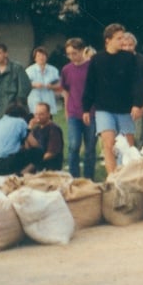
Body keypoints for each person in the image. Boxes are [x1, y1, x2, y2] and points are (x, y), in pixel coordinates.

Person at [82, 23, 143, 176]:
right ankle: (112, 177)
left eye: (123, 38)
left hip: (125, 109)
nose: (122, 42)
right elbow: (90, 84)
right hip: (104, 109)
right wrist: (86, 108)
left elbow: (138, 82)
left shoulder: (129, 58)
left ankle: (127, 175)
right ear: (108, 40)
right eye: (118, 39)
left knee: (127, 145)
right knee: (108, 144)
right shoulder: (97, 59)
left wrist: (137, 104)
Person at [60, 38, 97, 180]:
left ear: (82, 50)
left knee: (90, 148)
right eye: (68, 54)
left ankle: (88, 178)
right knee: (73, 146)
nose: (71, 57)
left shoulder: (92, 67)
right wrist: (67, 111)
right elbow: (65, 91)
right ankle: (73, 178)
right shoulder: (66, 70)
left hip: (91, 112)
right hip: (74, 113)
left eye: (74, 53)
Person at [0, 102, 42, 176]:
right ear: (21, 116)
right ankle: (20, 175)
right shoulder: (20, 122)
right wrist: (30, 128)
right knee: (38, 152)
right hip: (5, 165)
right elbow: (34, 145)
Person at [121, 32, 143, 147]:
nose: (127, 48)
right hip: (122, 102)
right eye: (124, 45)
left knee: (140, 135)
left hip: (140, 101)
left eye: (130, 45)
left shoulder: (142, 60)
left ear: (134, 45)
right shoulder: (117, 61)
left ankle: (141, 158)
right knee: (124, 136)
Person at [26, 102, 65, 172]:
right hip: (38, 163)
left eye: (41, 114)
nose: (38, 116)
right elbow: (27, 146)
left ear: (48, 114)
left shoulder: (54, 129)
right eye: (36, 114)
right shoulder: (36, 129)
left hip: (50, 166)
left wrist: (36, 161)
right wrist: (29, 129)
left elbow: (52, 153)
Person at [25, 46, 60, 116]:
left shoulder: (53, 70)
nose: (41, 58)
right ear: (35, 58)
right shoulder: (29, 70)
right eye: (38, 56)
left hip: (48, 100)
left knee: (48, 123)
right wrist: (33, 85)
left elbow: (60, 84)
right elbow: (24, 84)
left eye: (43, 55)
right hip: (34, 101)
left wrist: (52, 86)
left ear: (46, 57)